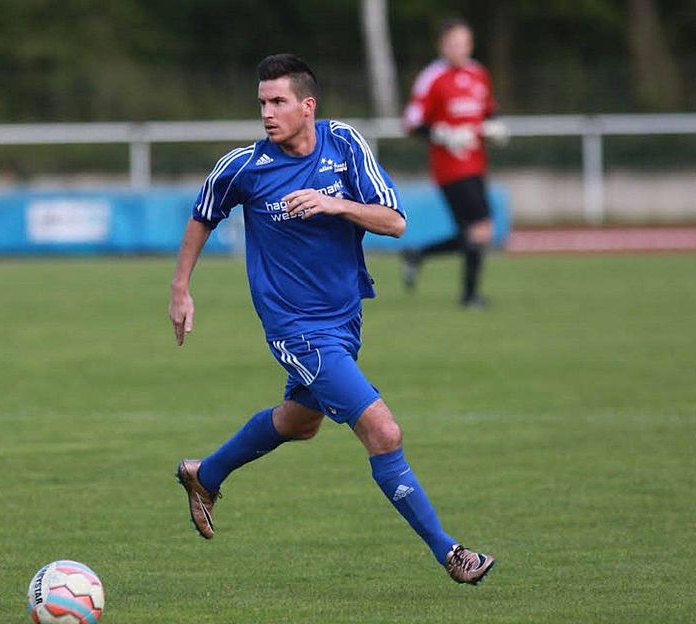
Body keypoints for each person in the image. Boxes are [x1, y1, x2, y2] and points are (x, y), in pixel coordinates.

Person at [168, 53, 495, 585]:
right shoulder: (244, 167)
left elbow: (394, 222)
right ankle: (451, 554)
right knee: (384, 432)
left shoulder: (344, 145)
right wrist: (180, 289)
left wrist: (335, 204)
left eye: (278, 102)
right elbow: (202, 216)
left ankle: (205, 474)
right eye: (262, 103)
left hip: (344, 319)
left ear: (307, 106)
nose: (267, 113)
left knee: (301, 421)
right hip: (296, 328)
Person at [401, 17, 508, 309]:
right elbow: (411, 122)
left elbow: (489, 112)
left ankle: (417, 254)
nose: (458, 48)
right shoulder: (432, 77)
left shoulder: (478, 74)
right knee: (481, 227)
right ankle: (469, 296)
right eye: (452, 43)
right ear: (442, 46)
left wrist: (494, 128)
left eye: (463, 43)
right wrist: (443, 135)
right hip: (450, 167)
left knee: (471, 233)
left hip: (476, 163)